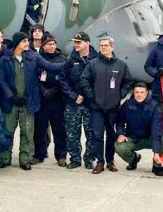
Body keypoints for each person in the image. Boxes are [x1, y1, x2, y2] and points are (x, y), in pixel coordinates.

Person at [0, 32, 67, 170]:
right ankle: (5, 158)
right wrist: (11, 96)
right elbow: (1, 80)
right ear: (17, 43)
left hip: (27, 102)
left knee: (27, 132)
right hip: (11, 103)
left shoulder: (33, 57)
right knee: (8, 131)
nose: (27, 43)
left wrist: (67, 64)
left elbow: (50, 66)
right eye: (24, 41)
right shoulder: (5, 58)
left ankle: (25, 159)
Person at [79, 36, 134, 174]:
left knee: (111, 135)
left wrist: (119, 95)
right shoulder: (93, 63)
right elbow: (84, 79)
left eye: (106, 45)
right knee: (97, 135)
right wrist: (92, 95)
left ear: (112, 47)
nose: (103, 48)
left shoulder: (121, 65)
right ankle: (100, 162)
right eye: (101, 45)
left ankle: (110, 160)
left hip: (113, 108)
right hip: (96, 108)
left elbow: (128, 81)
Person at [59, 32, 97, 170]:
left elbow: (98, 82)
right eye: (75, 42)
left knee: (91, 133)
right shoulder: (70, 60)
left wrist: (85, 95)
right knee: (72, 133)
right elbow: (62, 79)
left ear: (87, 43)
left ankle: (89, 158)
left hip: (90, 104)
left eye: (78, 42)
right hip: (73, 103)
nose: (76, 45)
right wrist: (73, 95)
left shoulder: (96, 59)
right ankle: (75, 159)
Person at [114, 82, 163, 176]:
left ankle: (156, 165)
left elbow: (156, 130)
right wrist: (120, 134)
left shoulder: (155, 106)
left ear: (147, 93)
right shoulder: (127, 104)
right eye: (136, 92)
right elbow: (120, 121)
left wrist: (156, 152)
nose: (139, 95)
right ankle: (133, 159)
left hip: (149, 139)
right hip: (133, 139)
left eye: (142, 92)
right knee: (118, 146)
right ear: (134, 92)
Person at [31, 33, 68, 166]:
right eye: (49, 44)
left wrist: (54, 90)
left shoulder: (62, 59)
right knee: (39, 130)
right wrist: (43, 90)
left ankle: (61, 156)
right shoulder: (37, 59)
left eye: (54, 44)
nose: (52, 46)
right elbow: (33, 77)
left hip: (57, 101)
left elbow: (64, 79)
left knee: (59, 130)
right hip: (42, 101)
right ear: (43, 46)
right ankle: (39, 155)